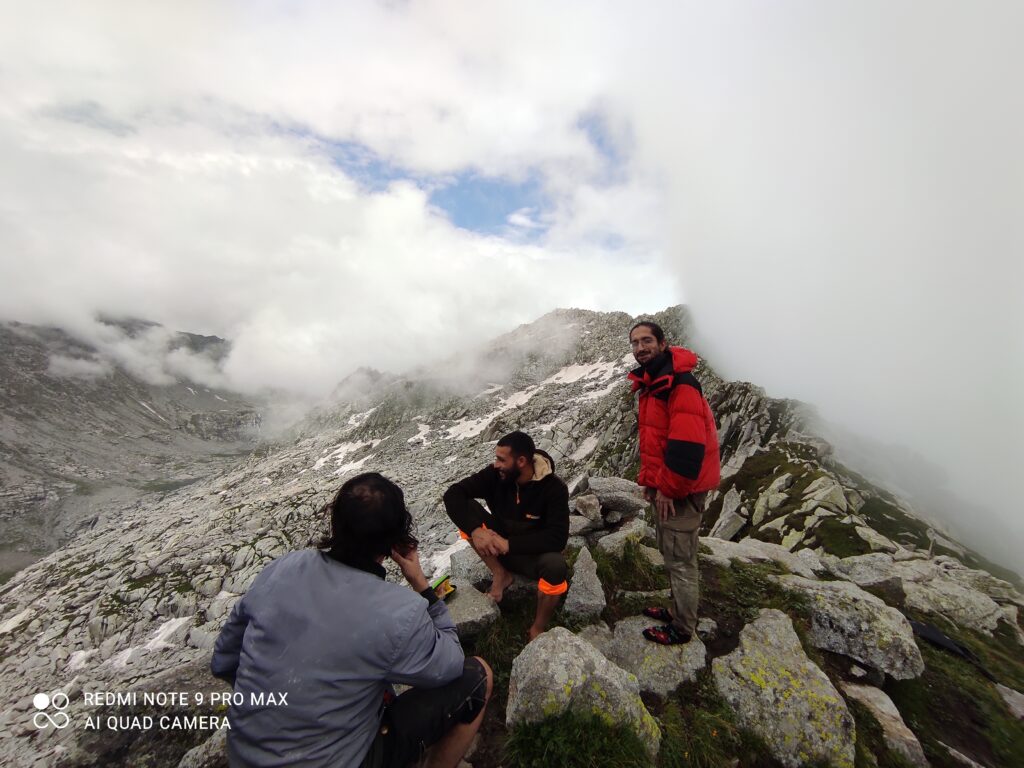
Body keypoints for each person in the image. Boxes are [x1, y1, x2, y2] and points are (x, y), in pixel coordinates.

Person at [210, 472, 492, 768]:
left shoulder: (284, 567)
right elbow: (450, 663)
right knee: (477, 675)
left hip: (243, 756)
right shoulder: (399, 611)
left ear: (336, 522)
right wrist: (423, 588)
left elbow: (224, 661)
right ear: (395, 538)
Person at [627, 320, 721, 645]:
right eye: (635, 343)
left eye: (647, 340)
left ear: (663, 343)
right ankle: (678, 610)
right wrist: (651, 482)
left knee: (680, 560)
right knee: (671, 553)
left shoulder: (681, 383)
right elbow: (656, 441)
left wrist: (668, 487)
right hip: (668, 485)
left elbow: (686, 446)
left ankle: (683, 628)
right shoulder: (654, 383)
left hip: (682, 488)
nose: (641, 347)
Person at [443, 431, 569, 642]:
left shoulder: (554, 489)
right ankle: (500, 574)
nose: (496, 464)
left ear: (521, 461)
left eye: (501, 459)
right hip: (498, 546)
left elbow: (557, 538)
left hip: (531, 555)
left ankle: (537, 628)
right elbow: (453, 494)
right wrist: (476, 530)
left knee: (556, 567)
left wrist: (510, 544)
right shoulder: (495, 476)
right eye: (496, 458)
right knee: (467, 511)